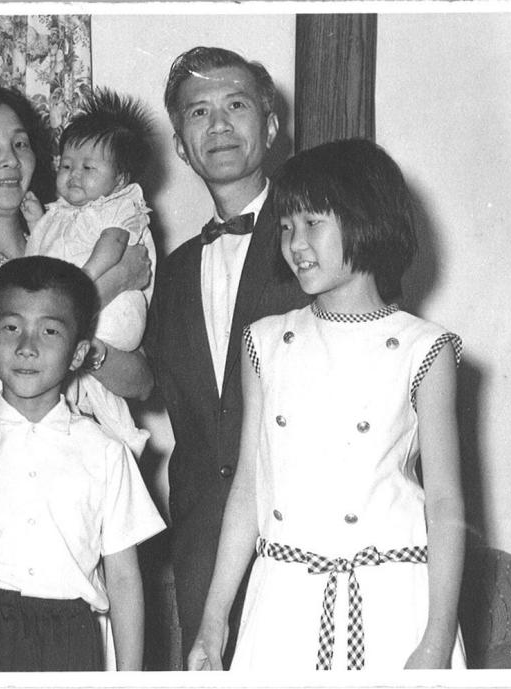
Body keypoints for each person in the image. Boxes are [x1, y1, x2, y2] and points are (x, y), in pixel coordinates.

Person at [188, 138, 467, 671]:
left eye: (313, 222)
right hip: (284, 602)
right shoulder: (264, 341)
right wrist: (213, 620)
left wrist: (436, 638)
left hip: (392, 603)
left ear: (366, 220)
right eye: (287, 226)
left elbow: (446, 504)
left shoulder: (424, 349)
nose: (295, 243)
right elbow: (249, 486)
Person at [0, 256, 166, 671]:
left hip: (69, 636)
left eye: (50, 331)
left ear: (77, 354)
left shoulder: (105, 452)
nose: (27, 346)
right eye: (11, 328)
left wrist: (130, 677)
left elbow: (123, 578)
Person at [144, 46, 309, 662]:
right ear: (182, 146)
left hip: (306, 531)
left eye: (236, 105)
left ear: (269, 126)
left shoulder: (317, 239)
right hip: (201, 541)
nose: (218, 125)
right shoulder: (177, 270)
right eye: (198, 112)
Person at [0, 80, 152, 430]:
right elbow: (16, 330)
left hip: (88, 465)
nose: (10, 158)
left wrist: (91, 352)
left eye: (20, 143)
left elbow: (142, 382)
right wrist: (119, 278)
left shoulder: (64, 244)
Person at [20, 86, 155, 458]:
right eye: (66, 165)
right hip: (91, 320)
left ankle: (120, 432)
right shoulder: (63, 213)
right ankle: (118, 431)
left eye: (89, 168)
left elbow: (111, 246)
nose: (73, 175)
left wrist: (82, 281)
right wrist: (36, 220)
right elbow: (48, 246)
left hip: (115, 319)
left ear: (120, 178)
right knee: (84, 395)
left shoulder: (118, 206)